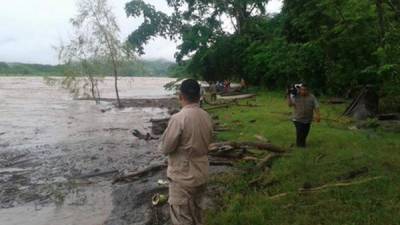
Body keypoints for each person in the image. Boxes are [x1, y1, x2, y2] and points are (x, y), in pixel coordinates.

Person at [159, 79, 213, 225]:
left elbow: (165, 148)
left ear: (180, 96)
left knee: (182, 218)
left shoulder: (178, 118)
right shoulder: (206, 116)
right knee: (197, 214)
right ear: (199, 96)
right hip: (201, 173)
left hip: (182, 178)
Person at [287, 84, 320, 148]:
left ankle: (302, 143)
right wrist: (288, 95)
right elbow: (290, 104)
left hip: (308, 119)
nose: (303, 91)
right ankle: (300, 146)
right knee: (300, 132)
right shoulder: (296, 96)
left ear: (308, 90)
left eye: (305, 90)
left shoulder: (312, 97)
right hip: (298, 119)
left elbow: (316, 106)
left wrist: (318, 115)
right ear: (300, 90)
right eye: (302, 90)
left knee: (305, 133)